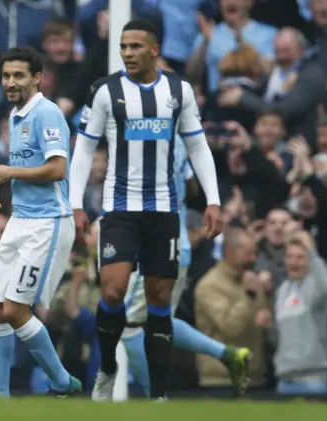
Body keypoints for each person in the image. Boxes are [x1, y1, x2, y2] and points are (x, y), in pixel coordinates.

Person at [69, 19, 222, 401]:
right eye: (124, 46)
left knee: (158, 298)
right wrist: (74, 204)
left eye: (136, 46)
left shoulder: (178, 91)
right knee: (114, 290)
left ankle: (158, 393)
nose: (127, 53)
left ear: (154, 50)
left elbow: (198, 146)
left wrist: (213, 199)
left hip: (165, 208)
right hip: (120, 206)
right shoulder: (105, 92)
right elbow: (85, 148)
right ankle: (107, 366)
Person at [120, 136, 250, 398]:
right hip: (180, 246)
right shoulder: (177, 140)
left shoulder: (143, 140)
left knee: (128, 325)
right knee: (161, 319)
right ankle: (228, 354)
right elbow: (191, 188)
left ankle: (157, 398)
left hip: (154, 245)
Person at [0, 46, 81, 398]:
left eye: (19, 75)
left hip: (48, 222)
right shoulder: (16, 115)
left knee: (15, 309)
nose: (11, 82)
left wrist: (10, 171)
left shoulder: (48, 113)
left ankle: (60, 380)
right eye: (7, 75)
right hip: (20, 220)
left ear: (37, 77)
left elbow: (57, 169)